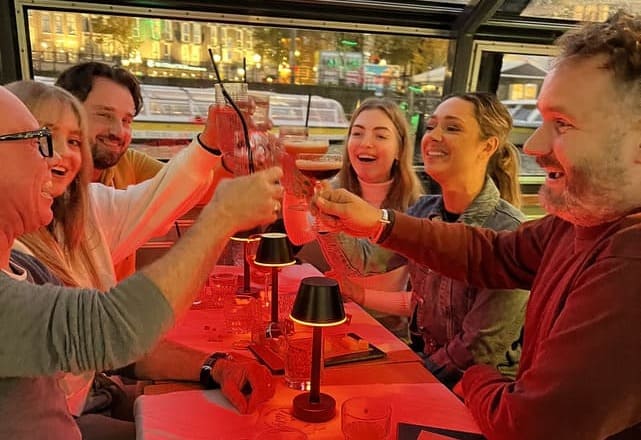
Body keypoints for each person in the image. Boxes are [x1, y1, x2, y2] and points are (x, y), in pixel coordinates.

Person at [315, 10, 641, 439]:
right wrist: (378, 222)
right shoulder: (579, 220)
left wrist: (475, 380)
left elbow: (531, 424)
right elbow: (491, 254)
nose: (536, 146)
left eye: (562, 124)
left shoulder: (628, 256)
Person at [0, 84, 281, 439]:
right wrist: (221, 217)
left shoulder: (39, 256)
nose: (56, 158)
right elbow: (109, 330)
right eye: (39, 141)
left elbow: (110, 345)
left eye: (73, 141)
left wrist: (216, 366)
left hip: (99, 395)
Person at [323, 93, 528, 388]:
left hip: (481, 390)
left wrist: (406, 379)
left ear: (488, 146)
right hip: (426, 365)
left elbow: (478, 349)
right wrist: (325, 212)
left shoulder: (509, 231)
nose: (434, 136)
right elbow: (363, 261)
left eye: (452, 128)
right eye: (431, 127)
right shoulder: (424, 210)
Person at [55, 62, 233, 280]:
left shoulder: (127, 163)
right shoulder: (49, 199)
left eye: (126, 120)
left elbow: (183, 189)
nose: (118, 131)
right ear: (66, 114)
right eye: (104, 115)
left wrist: (231, 159)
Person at [284, 97, 423, 338]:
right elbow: (299, 236)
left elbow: (421, 304)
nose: (365, 143)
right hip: (330, 319)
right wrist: (292, 189)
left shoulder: (416, 208)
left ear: (400, 150)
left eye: (380, 136)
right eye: (357, 133)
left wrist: (361, 295)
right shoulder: (331, 188)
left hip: (386, 331)